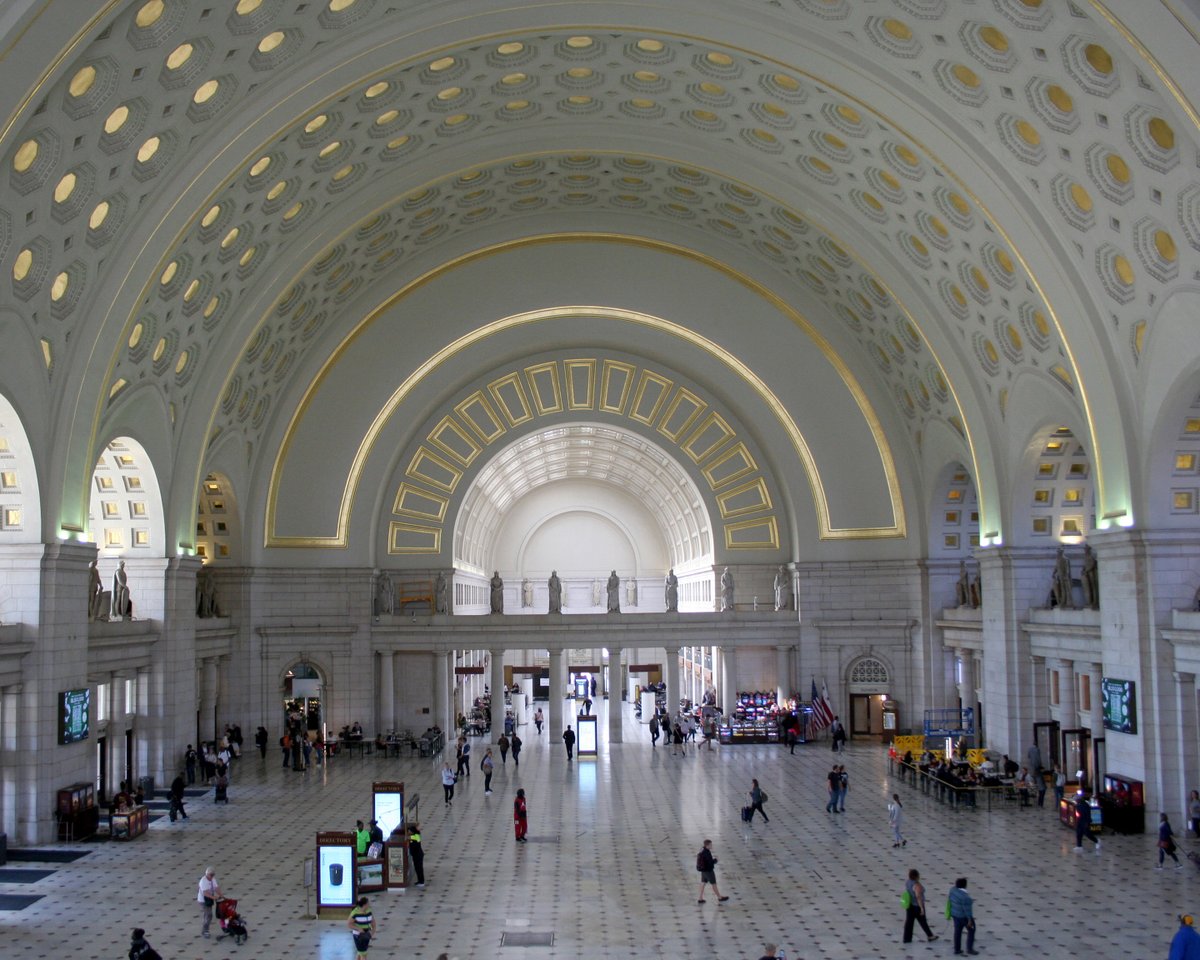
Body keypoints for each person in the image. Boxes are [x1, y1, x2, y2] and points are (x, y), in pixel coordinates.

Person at [902, 868, 938, 944]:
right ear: (916, 876)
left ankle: (906, 938)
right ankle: (930, 936)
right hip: (917, 906)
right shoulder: (916, 885)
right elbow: (918, 896)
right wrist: (921, 908)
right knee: (923, 921)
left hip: (910, 905)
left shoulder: (908, 882)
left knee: (909, 922)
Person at [948, 876, 978, 956]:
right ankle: (970, 949)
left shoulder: (952, 890)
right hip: (964, 917)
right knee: (971, 930)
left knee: (957, 932)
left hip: (955, 914)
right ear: (965, 885)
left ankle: (957, 949)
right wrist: (969, 920)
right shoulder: (965, 897)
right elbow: (967, 911)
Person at [695, 839, 730, 903]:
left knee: (703, 883)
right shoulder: (707, 852)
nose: (712, 846)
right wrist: (716, 860)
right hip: (709, 871)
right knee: (714, 884)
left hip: (703, 870)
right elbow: (710, 862)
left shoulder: (702, 849)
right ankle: (719, 897)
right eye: (711, 845)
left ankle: (700, 898)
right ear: (707, 845)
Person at [197, 866, 221, 939]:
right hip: (203, 901)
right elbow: (205, 893)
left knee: (207, 915)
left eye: (213, 875)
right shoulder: (203, 881)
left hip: (209, 900)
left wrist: (221, 895)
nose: (212, 876)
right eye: (211, 875)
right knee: (209, 915)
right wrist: (214, 897)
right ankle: (205, 930)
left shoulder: (213, 879)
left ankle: (205, 928)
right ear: (207, 874)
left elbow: (216, 888)